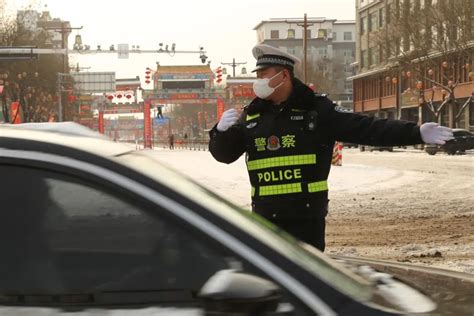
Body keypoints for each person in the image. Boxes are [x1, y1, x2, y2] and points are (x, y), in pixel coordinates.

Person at [208, 44, 453, 252]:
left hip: (306, 218)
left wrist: (415, 132)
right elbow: (224, 155)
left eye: (263, 74)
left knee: (308, 281)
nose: (258, 81)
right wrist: (219, 133)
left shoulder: (316, 111)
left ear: (283, 76)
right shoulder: (253, 116)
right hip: (263, 217)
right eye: (257, 75)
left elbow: (366, 128)